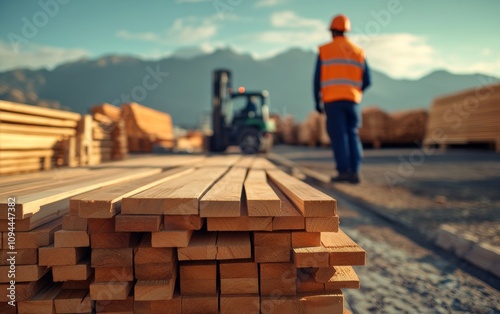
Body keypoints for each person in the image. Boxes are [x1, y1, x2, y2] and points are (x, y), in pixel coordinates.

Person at [313, 14, 371, 184]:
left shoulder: (325, 50)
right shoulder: (359, 52)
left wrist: (317, 101)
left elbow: (317, 80)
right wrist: (355, 92)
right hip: (352, 101)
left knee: (339, 136)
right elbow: (368, 80)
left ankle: (344, 171)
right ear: (347, 31)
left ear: (332, 31)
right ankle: (356, 172)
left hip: (332, 100)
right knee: (353, 134)